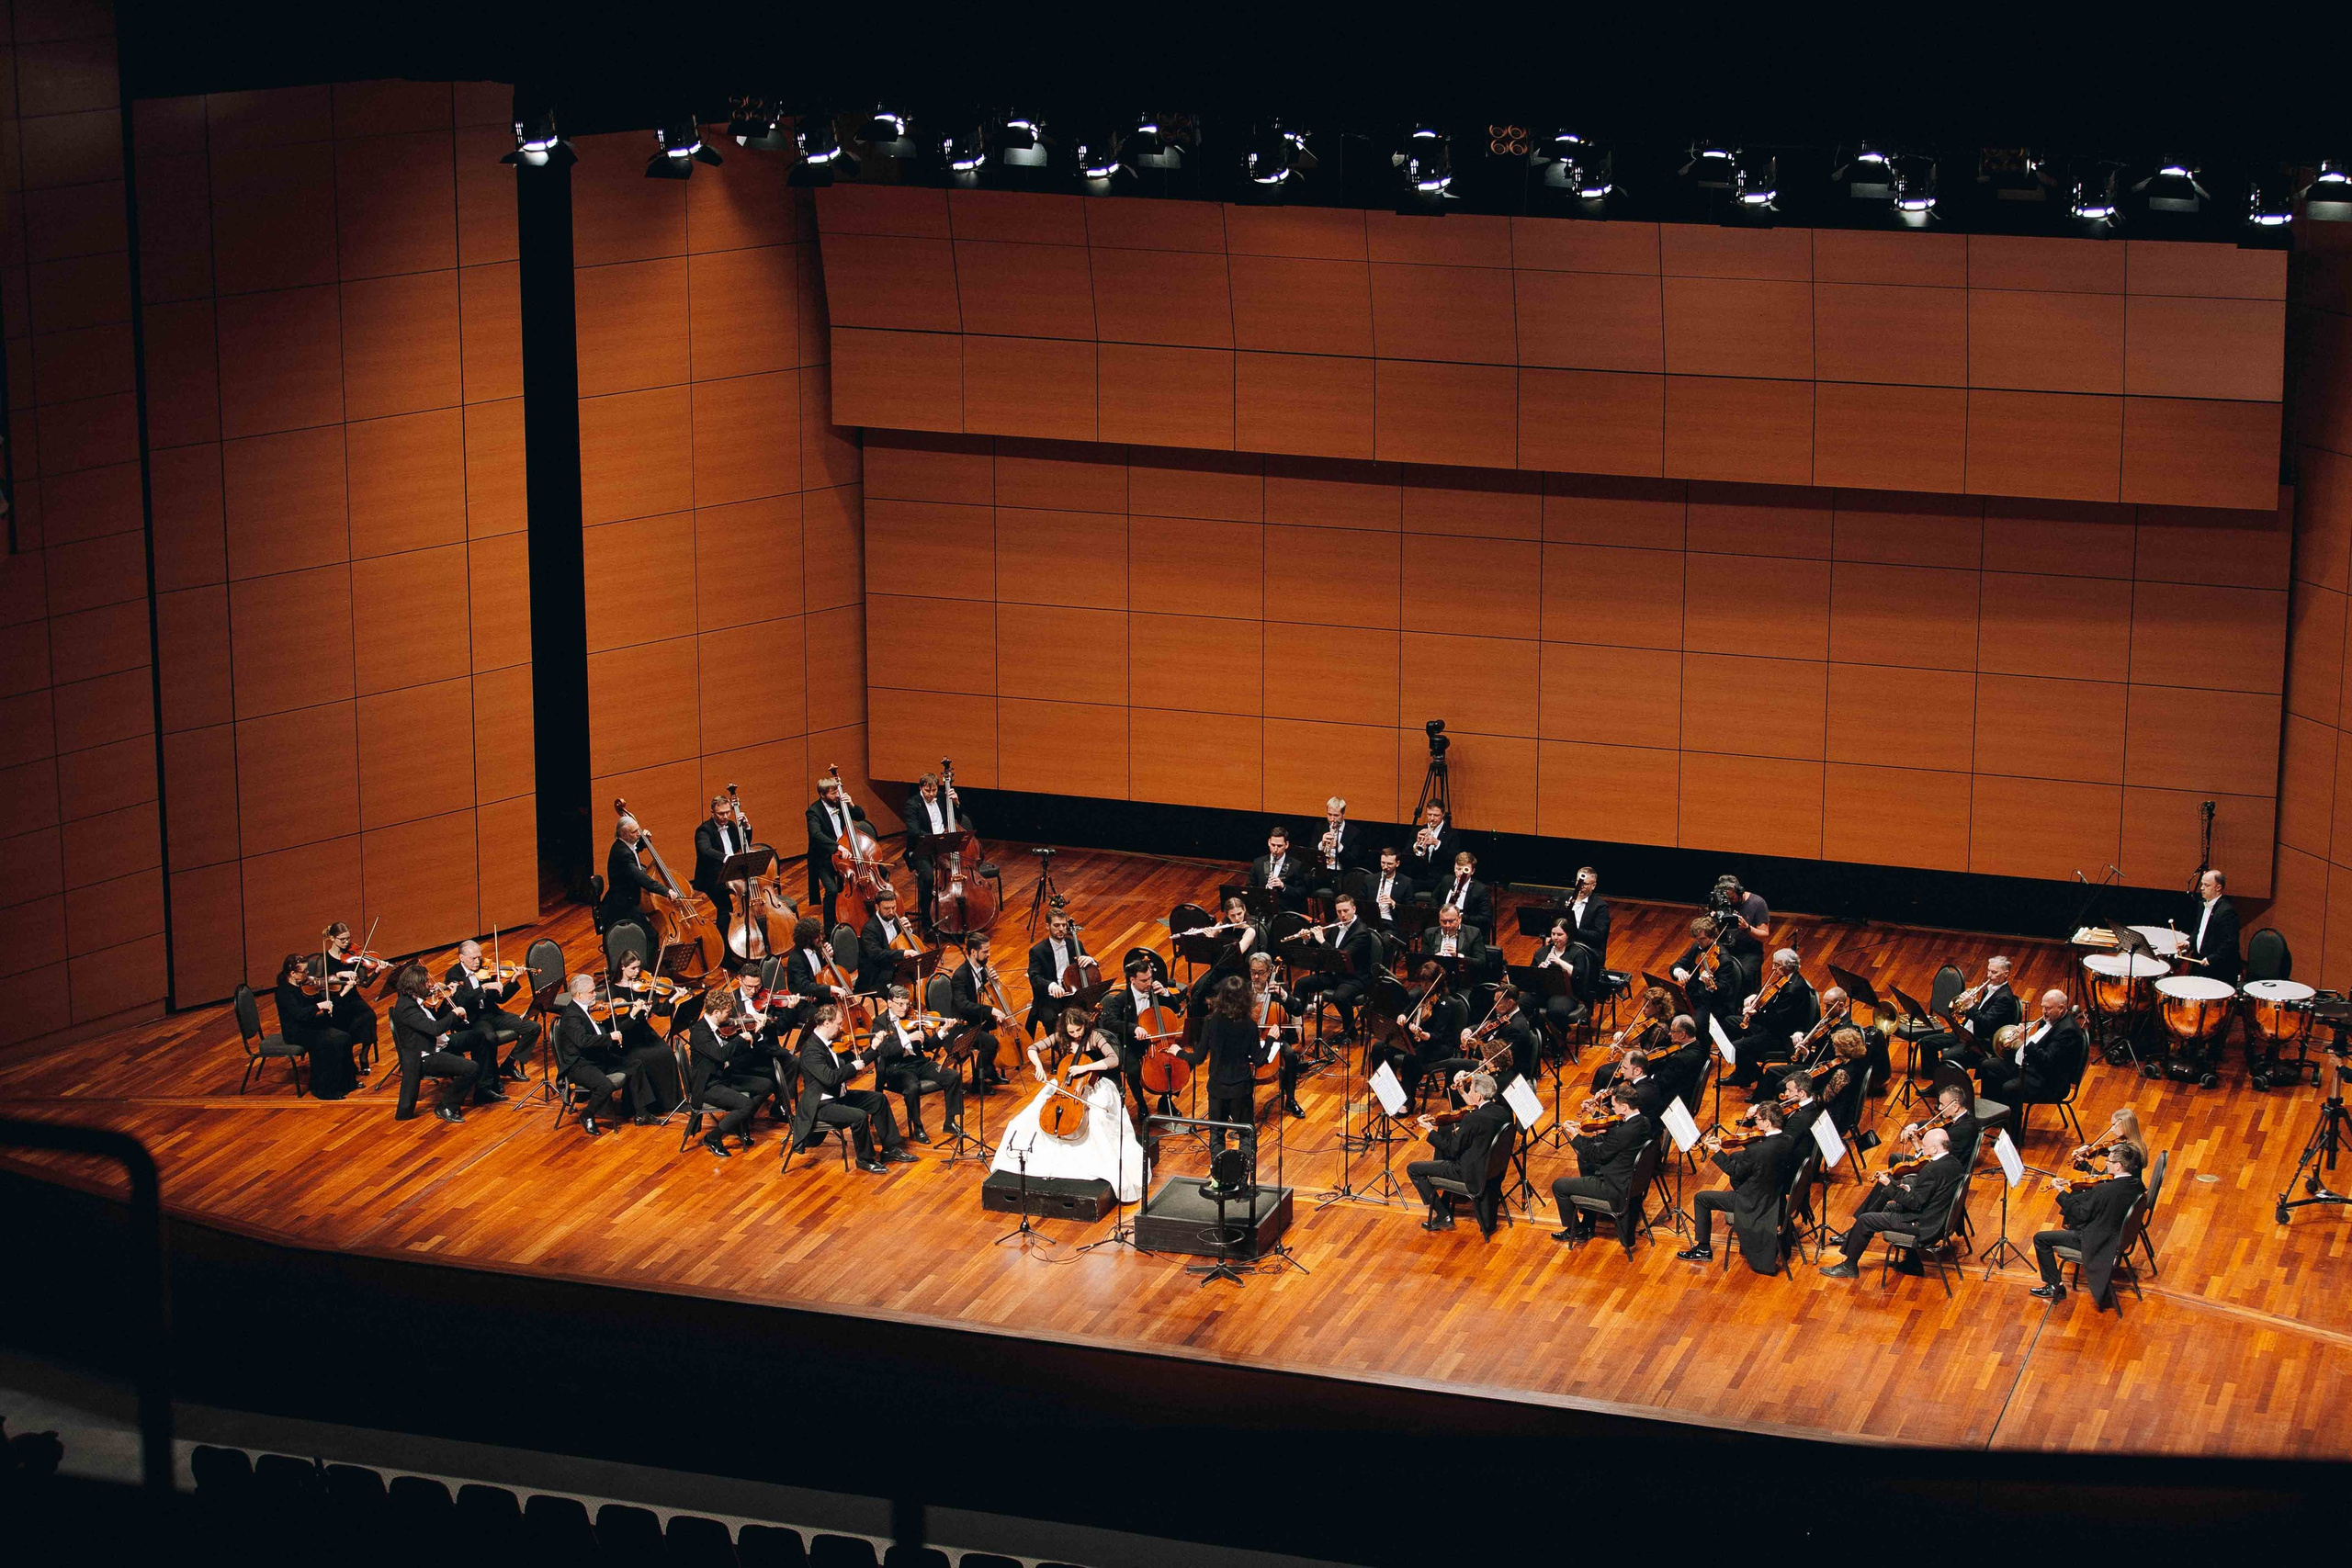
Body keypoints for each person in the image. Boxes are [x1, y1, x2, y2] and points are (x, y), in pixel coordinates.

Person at [991, 1005, 1148, 1203]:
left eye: (1078, 1030)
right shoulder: (1061, 1036)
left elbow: (1113, 1060)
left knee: (1097, 1119)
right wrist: (1038, 1065)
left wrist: (1086, 1066)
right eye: (1071, 1031)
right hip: (1065, 1086)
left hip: (1095, 1083)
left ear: (1085, 1024)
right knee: (1030, 1114)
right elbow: (1032, 1048)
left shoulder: (1095, 1036)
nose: (1075, 1035)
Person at [1819, 1127, 1966, 1279]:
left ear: (1935, 1149)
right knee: (1889, 1207)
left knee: (1866, 1220)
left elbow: (1914, 1203)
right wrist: (1908, 1188)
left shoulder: (1931, 1170)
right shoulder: (1954, 1162)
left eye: (1924, 1145)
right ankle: (1912, 1262)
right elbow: (1931, 1194)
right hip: (1938, 1217)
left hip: (1925, 1225)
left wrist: (1889, 1185)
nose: (1922, 1147)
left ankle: (1849, 1266)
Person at [790, 1000, 912, 1171]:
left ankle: (890, 1148)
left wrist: (874, 1047)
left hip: (838, 1096)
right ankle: (865, 1159)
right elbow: (830, 1078)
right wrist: (853, 1067)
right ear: (826, 1023)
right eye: (839, 1024)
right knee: (859, 1116)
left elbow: (858, 1062)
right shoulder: (811, 1050)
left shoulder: (829, 1043)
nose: (841, 1028)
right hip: (821, 1104)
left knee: (878, 1099)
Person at [1679, 1101, 1795, 1273]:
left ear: (1767, 1123)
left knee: (1701, 1198)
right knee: (1737, 1158)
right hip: (1772, 1196)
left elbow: (1734, 1172)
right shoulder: (1787, 1140)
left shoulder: (1757, 1150)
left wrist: (1717, 1151)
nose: (1756, 1124)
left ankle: (1703, 1249)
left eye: (1758, 1120)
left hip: (1752, 1202)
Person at [2031, 1144, 2147, 1306]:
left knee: (2041, 1239)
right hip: (2116, 1235)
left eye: (2109, 1161)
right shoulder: (2136, 1184)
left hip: (2097, 1241)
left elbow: (2079, 1215)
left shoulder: (2105, 1191)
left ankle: (2054, 1286)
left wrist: (2061, 1192)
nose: (2106, 1163)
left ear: (2118, 1166)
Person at [1406, 1070, 1510, 1233]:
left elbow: (1452, 1150)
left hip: (1469, 1173)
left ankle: (1443, 1215)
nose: (1469, 1092)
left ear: (1478, 1095)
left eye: (1470, 1090)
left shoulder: (1473, 1119)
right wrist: (1462, 1093)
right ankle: (1447, 1201)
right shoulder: (1504, 1113)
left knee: (1413, 1169)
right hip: (1493, 1171)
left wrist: (1429, 1130)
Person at [1550, 1082, 1653, 1247]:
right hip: (1631, 1182)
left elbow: (1596, 1155)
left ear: (1625, 1107)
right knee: (1587, 1169)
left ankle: (1577, 1231)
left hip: (1614, 1186)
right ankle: (1588, 1221)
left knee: (1559, 1186)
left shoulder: (1621, 1133)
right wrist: (1599, 1118)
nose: (1612, 1110)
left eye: (1614, 1106)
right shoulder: (1644, 1122)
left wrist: (1576, 1135)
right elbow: (1620, 1137)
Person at [387, 964, 490, 1122]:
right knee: (471, 1068)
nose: (431, 984)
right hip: (426, 1054)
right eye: (426, 981)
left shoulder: (417, 1000)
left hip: (440, 1043)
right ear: (416, 984)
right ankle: (446, 1106)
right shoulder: (406, 1007)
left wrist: (449, 1003)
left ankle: (484, 1088)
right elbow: (434, 1028)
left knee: (479, 1036)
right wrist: (455, 1014)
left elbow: (436, 1020)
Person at [1183, 976, 1264, 1179]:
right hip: (1241, 1089)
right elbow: (1259, 1059)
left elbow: (1198, 1057)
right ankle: (1243, 1177)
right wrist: (1271, 1039)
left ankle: (1220, 1178)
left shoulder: (1211, 1022)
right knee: (1246, 1133)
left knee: (1217, 1134)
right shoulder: (1249, 1026)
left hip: (1217, 1088)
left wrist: (1178, 1052)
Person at [869, 983, 964, 1144]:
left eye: (907, 1004)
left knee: (952, 1076)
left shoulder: (912, 1018)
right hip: (896, 1068)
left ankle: (950, 1122)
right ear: (889, 1002)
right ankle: (918, 1127)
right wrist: (908, 1038)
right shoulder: (879, 1023)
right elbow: (885, 1052)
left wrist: (943, 1031)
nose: (905, 1008)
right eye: (901, 1004)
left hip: (919, 1063)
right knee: (912, 1088)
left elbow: (927, 1045)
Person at [682, 993, 772, 1158]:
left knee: (766, 1085)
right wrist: (740, 1039)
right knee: (745, 1105)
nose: (730, 1017)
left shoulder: (720, 1029)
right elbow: (721, 1055)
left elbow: (735, 1052)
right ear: (716, 1013)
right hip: (708, 1085)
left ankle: (737, 1122)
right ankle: (713, 1137)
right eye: (727, 1013)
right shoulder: (699, 1033)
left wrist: (754, 1033)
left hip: (723, 1077)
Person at [1099, 952, 1187, 1120]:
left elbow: (1176, 1010)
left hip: (1158, 1042)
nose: (1149, 983)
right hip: (1132, 1043)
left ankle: (1166, 1099)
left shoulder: (1157, 992)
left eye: (1150, 978)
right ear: (1133, 980)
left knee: (1182, 1061)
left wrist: (1166, 994)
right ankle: (1141, 1105)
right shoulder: (1122, 999)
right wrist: (1133, 1028)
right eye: (1144, 980)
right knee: (1133, 1069)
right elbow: (1109, 1021)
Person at [444, 939, 541, 1085]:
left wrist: (513, 981)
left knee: (532, 1027)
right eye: (473, 959)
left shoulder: (486, 969)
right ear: (461, 958)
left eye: (479, 957)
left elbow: (500, 999)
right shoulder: (454, 975)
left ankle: (509, 1065)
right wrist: (483, 988)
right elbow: (462, 1000)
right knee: (489, 1038)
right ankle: (490, 1080)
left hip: (492, 1013)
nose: (478, 962)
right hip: (474, 1019)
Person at [605, 950, 684, 1121]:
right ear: (622, 967)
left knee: (666, 1054)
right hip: (627, 1037)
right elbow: (617, 1026)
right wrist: (634, 1013)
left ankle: (670, 1102)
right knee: (645, 1059)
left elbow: (660, 1009)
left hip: (643, 1032)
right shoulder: (613, 992)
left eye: (638, 968)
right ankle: (648, 1106)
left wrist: (674, 997)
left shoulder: (641, 986)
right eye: (633, 968)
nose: (637, 972)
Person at [551, 974, 633, 1136]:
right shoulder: (571, 1015)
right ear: (579, 995)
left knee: (635, 1065)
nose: (595, 994)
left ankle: (638, 1110)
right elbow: (582, 1041)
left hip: (596, 1057)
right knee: (605, 1085)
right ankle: (587, 1115)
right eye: (591, 992)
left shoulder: (589, 1008)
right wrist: (610, 1037)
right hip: (580, 1064)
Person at [1727, 949, 1819, 1093]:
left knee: (1736, 1047)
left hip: (1779, 1035)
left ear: (1789, 966)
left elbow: (1776, 1020)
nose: (1773, 968)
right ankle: (1743, 1072)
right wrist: (1755, 997)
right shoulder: (1785, 979)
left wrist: (1755, 1014)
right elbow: (1771, 997)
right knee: (1730, 1021)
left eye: (1777, 965)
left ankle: (1754, 1074)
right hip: (1769, 1026)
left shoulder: (1794, 989)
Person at [1292, 892, 1380, 1040]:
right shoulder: (1336, 924)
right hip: (1337, 974)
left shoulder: (1361, 933)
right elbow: (1325, 948)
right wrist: (1308, 939)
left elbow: (1342, 957)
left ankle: (1350, 1031)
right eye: (1339, 911)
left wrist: (1321, 940)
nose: (1342, 915)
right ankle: (1295, 1021)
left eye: (1346, 911)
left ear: (1354, 909)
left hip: (1356, 977)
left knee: (1340, 997)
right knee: (1301, 983)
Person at [1978, 990, 2086, 1108]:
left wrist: (2026, 1041)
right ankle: (1990, 1111)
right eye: (2042, 1007)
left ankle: (2012, 1124)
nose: (2044, 1011)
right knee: (1988, 1065)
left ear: (2061, 1008)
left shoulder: (2068, 1031)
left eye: (2048, 1008)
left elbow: (2047, 1061)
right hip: (2031, 1067)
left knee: (2010, 1087)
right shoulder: (2049, 1019)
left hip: (2049, 1081)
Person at [274, 953, 358, 1100]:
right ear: (293, 974)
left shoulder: (304, 986)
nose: (307, 975)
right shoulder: (284, 992)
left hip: (310, 1025)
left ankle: (347, 1083)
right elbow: (299, 1014)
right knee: (333, 1041)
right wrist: (319, 1006)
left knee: (345, 1037)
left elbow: (323, 1001)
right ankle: (325, 1090)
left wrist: (338, 995)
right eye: (304, 972)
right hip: (296, 1031)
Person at [900, 771, 974, 932]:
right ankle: (927, 922)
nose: (931, 794)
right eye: (928, 791)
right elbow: (914, 831)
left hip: (945, 847)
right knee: (927, 878)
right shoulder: (912, 804)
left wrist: (956, 803)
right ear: (921, 788)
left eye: (934, 790)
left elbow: (958, 819)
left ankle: (957, 913)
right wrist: (936, 838)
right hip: (922, 848)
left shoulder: (941, 798)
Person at [1918, 956, 2021, 1071]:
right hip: (1965, 1033)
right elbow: (1980, 1012)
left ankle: (1944, 1083)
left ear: (2005, 974)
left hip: (1978, 1042)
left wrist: (1971, 1005)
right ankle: (1934, 1080)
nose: (1989, 975)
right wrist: (1970, 1005)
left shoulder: (2005, 998)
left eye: (1994, 972)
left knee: (1949, 1057)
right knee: (1926, 1043)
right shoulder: (1989, 989)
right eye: (1988, 971)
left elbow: (1986, 1022)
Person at [805, 774, 872, 933]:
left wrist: (851, 804)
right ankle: (829, 931)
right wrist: (837, 847)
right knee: (832, 890)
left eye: (837, 791)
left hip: (846, 857)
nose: (837, 795)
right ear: (822, 795)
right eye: (833, 793)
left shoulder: (841, 803)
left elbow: (861, 817)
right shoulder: (813, 812)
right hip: (824, 857)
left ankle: (850, 918)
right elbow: (816, 834)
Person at [947, 932, 1012, 1091]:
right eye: (985, 951)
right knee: (990, 1042)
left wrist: (994, 982)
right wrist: (991, 1010)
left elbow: (987, 994)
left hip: (976, 1018)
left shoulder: (982, 969)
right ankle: (978, 1082)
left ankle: (989, 1070)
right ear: (973, 952)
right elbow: (963, 1005)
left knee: (1002, 1023)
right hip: (962, 1024)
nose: (989, 954)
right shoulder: (960, 976)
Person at [319, 923, 388, 1072]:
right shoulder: (324, 960)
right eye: (342, 939)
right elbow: (322, 984)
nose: (347, 943)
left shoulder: (354, 956)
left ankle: (363, 1055)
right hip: (336, 1000)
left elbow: (365, 984)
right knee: (343, 1022)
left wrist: (377, 971)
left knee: (369, 1015)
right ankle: (347, 1057)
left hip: (353, 998)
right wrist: (340, 977)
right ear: (332, 938)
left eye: (348, 939)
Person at [692, 793, 757, 943]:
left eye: (728, 812)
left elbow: (744, 844)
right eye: (721, 813)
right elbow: (705, 850)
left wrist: (746, 827)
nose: (725, 816)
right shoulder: (703, 830)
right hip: (713, 876)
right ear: (712, 812)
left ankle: (747, 933)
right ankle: (724, 946)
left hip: (732, 872)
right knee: (725, 909)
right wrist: (726, 858)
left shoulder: (732, 826)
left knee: (748, 897)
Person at [600, 813, 676, 933]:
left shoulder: (624, 845)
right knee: (650, 935)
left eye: (638, 829)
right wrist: (666, 891)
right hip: (623, 904)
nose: (639, 833)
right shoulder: (621, 853)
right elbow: (641, 878)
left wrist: (643, 842)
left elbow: (634, 850)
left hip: (628, 898)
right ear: (623, 834)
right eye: (634, 832)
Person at [1026, 908, 1094, 1041]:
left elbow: (1089, 961)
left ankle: (1088, 1046)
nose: (1061, 929)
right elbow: (1034, 977)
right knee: (1051, 1019)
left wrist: (1091, 961)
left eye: (1064, 925)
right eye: (1057, 925)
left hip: (1072, 995)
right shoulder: (1037, 951)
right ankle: (1062, 1051)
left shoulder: (1074, 944)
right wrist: (1051, 985)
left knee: (1091, 1013)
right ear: (1048, 926)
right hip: (1049, 999)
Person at [855, 882, 922, 996]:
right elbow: (876, 954)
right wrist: (903, 953)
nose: (891, 912)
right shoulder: (869, 929)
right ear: (877, 907)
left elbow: (900, 943)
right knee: (900, 993)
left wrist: (908, 931)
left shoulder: (895, 920)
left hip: (893, 969)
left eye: (894, 907)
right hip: (875, 976)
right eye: (886, 908)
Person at [2184, 868, 2242, 985]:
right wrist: (2188, 942)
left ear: (2218, 888)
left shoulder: (2227, 912)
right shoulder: (2202, 904)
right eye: (2202, 884)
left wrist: (2211, 959)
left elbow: (2230, 944)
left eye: (2206, 885)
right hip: (2200, 965)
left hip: (2219, 970)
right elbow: (2198, 931)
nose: (2201, 888)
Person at [1312, 795, 1367, 903]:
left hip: (1342, 874)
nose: (1332, 819)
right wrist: (1321, 845)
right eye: (1329, 815)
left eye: (1336, 815)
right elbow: (1310, 854)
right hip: (1323, 871)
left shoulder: (1354, 832)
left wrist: (1339, 848)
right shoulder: (1320, 827)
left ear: (1343, 815)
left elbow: (1354, 860)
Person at [1247, 825, 1308, 915]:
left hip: (1285, 911)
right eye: (1273, 845)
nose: (1275, 849)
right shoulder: (1258, 862)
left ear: (1286, 845)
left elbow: (1302, 892)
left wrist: (1283, 886)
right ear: (1268, 842)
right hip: (1262, 909)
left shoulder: (1296, 865)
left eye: (1279, 846)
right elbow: (1250, 886)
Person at [2072, 1105, 2148, 1172]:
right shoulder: (2137, 1144)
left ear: (2125, 1127)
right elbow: (2105, 1149)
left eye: (2115, 1125)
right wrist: (2088, 1148)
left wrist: (2085, 1166)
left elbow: (2104, 1181)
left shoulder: (2124, 1152)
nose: (2112, 1129)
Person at [1433, 851, 1492, 932]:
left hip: (1466, 929)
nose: (1461, 873)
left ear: (1472, 871)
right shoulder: (1446, 880)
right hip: (1443, 924)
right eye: (1458, 869)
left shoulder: (1481, 890)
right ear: (1454, 868)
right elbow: (1434, 898)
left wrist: (1459, 918)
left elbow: (1485, 918)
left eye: (1465, 870)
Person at [1566, 866, 1610, 966]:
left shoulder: (1600, 906)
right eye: (1579, 882)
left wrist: (1573, 931)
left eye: (1585, 884)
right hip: (1563, 944)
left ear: (1593, 886)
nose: (1581, 886)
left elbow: (1598, 935)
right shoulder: (1565, 896)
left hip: (1585, 949)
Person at [1366, 844, 1414, 934]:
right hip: (1371, 921)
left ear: (1397, 863)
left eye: (1389, 864)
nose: (1385, 867)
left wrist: (1393, 904)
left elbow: (1410, 911)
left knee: (1385, 940)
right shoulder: (1369, 880)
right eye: (1383, 863)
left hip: (1391, 923)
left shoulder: (1406, 882)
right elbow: (1362, 903)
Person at [1407, 801, 1453, 882]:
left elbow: (1452, 859)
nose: (1432, 818)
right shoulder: (1417, 831)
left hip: (1440, 878)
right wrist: (1416, 843)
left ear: (1443, 815)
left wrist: (1437, 843)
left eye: (1436, 815)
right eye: (1429, 814)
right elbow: (1406, 856)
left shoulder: (1452, 834)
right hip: (1419, 877)